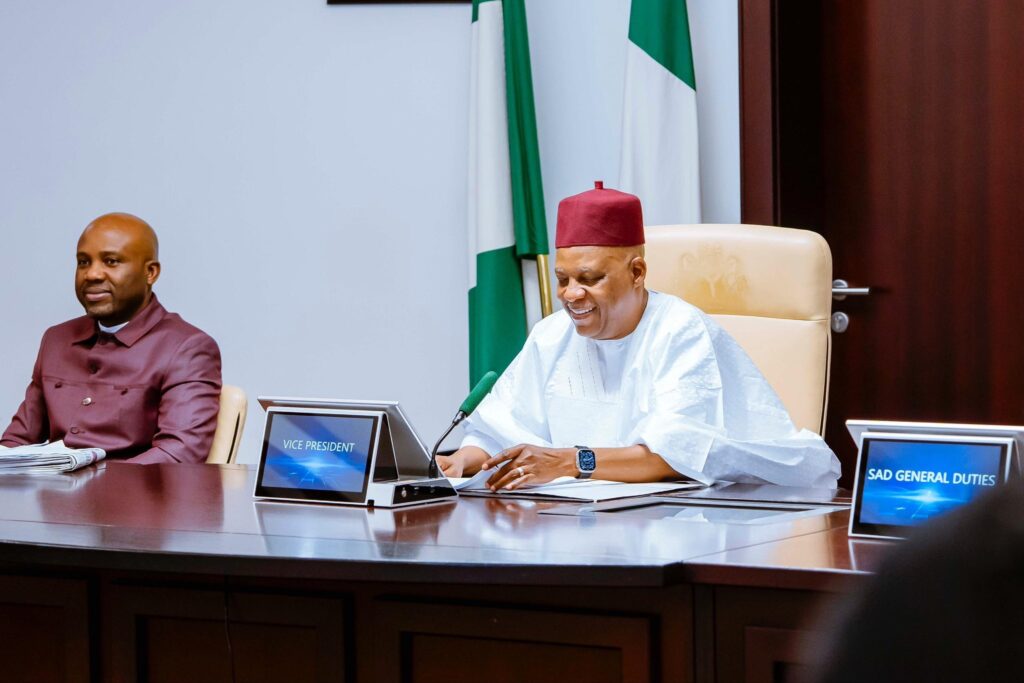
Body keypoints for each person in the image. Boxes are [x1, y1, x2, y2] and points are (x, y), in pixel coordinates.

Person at [439, 182, 839, 490]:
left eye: (590, 279)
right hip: (570, 519)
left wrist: (570, 462)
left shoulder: (680, 330)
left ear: (637, 273)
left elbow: (674, 456)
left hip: (687, 520)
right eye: (562, 279)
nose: (571, 295)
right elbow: (504, 426)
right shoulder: (552, 334)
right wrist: (466, 458)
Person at [1, 213, 222, 463]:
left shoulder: (186, 347)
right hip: (52, 497)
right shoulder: (56, 339)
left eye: (111, 261)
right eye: (83, 262)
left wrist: (86, 486)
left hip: (132, 499)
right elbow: (16, 442)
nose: (92, 274)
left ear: (150, 272)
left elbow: (177, 455)